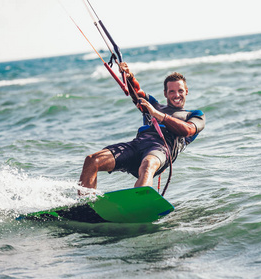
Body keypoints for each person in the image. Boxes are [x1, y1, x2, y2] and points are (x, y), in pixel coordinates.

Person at [78, 62, 205, 193]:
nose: (176, 95)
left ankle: (138, 204)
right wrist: (128, 75)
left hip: (161, 150)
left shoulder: (194, 115)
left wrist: (157, 115)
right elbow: (136, 91)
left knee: (148, 165)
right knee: (92, 160)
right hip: (137, 145)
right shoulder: (154, 105)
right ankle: (86, 206)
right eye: (171, 91)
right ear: (165, 93)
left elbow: (187, 130)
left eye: (180, 91)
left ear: (187, 92)